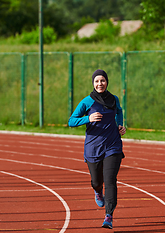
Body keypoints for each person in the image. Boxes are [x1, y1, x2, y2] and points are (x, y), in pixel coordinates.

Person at [68, 69, 126, 229]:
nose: (100, 84)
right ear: (93, 83)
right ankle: (97, 190)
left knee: (111, 180)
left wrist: (120, 125)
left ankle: (109, 216)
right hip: (93, 147)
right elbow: (71, 121)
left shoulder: (114, 99)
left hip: (113, 145)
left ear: (107, 82)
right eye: (97, 81)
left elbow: (119, 112)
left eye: (103, 80)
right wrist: (88, 118)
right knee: (96, 181)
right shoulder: (87, 101)